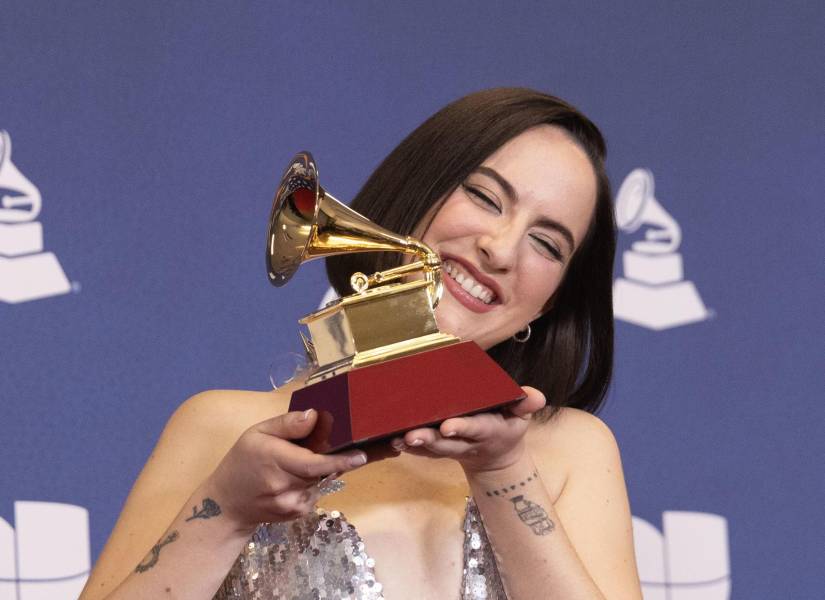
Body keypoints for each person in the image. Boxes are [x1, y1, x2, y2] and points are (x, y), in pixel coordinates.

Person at [80, 88, 642, 600]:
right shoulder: (223, 428)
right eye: (485, 197)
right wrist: (225, 511)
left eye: (546, 243)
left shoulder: (573, 450)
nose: (500, 249)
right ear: (418, 191)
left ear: (549, 304)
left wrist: (501, 470)